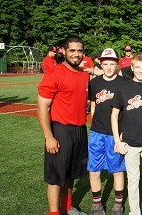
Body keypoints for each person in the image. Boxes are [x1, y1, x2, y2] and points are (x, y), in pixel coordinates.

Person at [37, 35, 90, 215]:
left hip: (80, 130)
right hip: (60, 130)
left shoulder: (84, 75)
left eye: (79, 50)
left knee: (71, 175)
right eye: (72, 50)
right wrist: (49, 136)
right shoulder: (55, 74)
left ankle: (67, 209)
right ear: (64, 51)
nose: (76, 54)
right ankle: (54, 212)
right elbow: (43, 106)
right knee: (56, 177)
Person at [110, 53, 142, 215]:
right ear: (131, 68)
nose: (140, 70)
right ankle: (135, 212)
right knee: (133, 180)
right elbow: (114, 115)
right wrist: (118, 140)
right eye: (137, 67)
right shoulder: (124, 87)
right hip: (130, 142)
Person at [88, 48, 126, 215]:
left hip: (115, 134)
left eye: (112, 64)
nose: (109, 67)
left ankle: (118, 204)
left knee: (117, 170)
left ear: (117, 65)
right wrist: (95, 123)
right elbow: (94, 105)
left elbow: (126, 111)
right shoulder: (94, 82)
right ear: (100, 64)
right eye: (105, 64)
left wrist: (121, 136)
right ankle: (97, 204)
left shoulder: (123, 83)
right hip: (97, 133)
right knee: (94, 170)